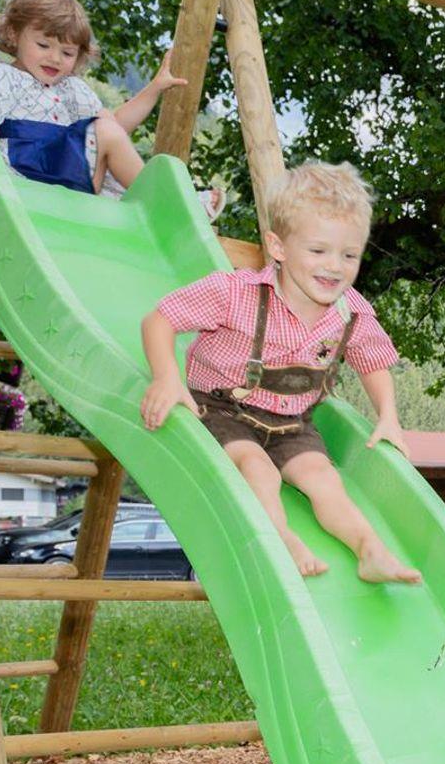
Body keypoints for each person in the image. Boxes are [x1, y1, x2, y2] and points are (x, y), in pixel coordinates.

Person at [137, 161, 420, 585]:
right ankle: (282, 537)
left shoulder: (350, 313)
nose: (334, 266)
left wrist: (388, 415)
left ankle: (369, 549)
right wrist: (166, 377)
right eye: (318, 251)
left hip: (292, 420)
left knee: (323, 478)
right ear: (279, 246)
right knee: (257, 468)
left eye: (349, 255)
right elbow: (159, 320)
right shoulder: (235, 293)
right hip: (223, 409)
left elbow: (373, 360)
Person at [0, 0, 224, 214]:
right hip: (24, 173)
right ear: (13, 35)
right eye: (43, 45)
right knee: (104, 132)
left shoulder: (72, 89)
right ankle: (177, 206)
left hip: (67, 176)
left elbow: (114, 130)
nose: (55, 58)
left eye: (67, 53)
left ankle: (166, 207)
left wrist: (155, 88)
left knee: (106, 130)